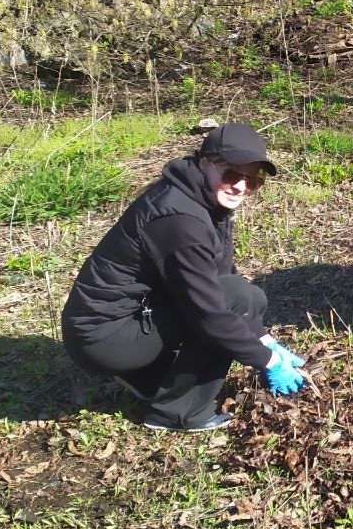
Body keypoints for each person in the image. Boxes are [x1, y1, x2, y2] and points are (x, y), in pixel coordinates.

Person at [61, 123, 307, 431]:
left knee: (244, 295)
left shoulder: (200, 201)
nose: (241, 187)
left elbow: (220, 277)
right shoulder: (180, 219)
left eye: (253, 179)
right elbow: (210, 313)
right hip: (103, 338)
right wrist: (267, 360)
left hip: (121, 323)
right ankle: (178, 413)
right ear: (205, 162)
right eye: (231, 174)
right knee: (231, 302)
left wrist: (264, 338)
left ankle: (149, 377)